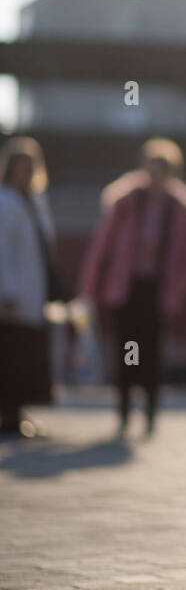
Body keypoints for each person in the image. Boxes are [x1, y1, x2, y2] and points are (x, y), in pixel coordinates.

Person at [76, 138, 186, 436]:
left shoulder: (181, 210)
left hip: (158, 291)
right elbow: (102, 247)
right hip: (126, 288)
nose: (155, 178)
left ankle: (150, 412)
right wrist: (88, 288)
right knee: (126, 350)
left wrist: (177, 291)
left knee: (151, 354)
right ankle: (123, 411)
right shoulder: (125, 203)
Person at [0, 137, 57, 436]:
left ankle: (18, 411)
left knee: (26, 356)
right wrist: (7, 292)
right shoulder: (4, 202)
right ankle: (6, 413)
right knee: (10, 355)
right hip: (12, 295)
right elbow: (3, 252)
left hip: (33, 292)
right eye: (18, 166)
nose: (23, 172)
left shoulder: (35, 202)